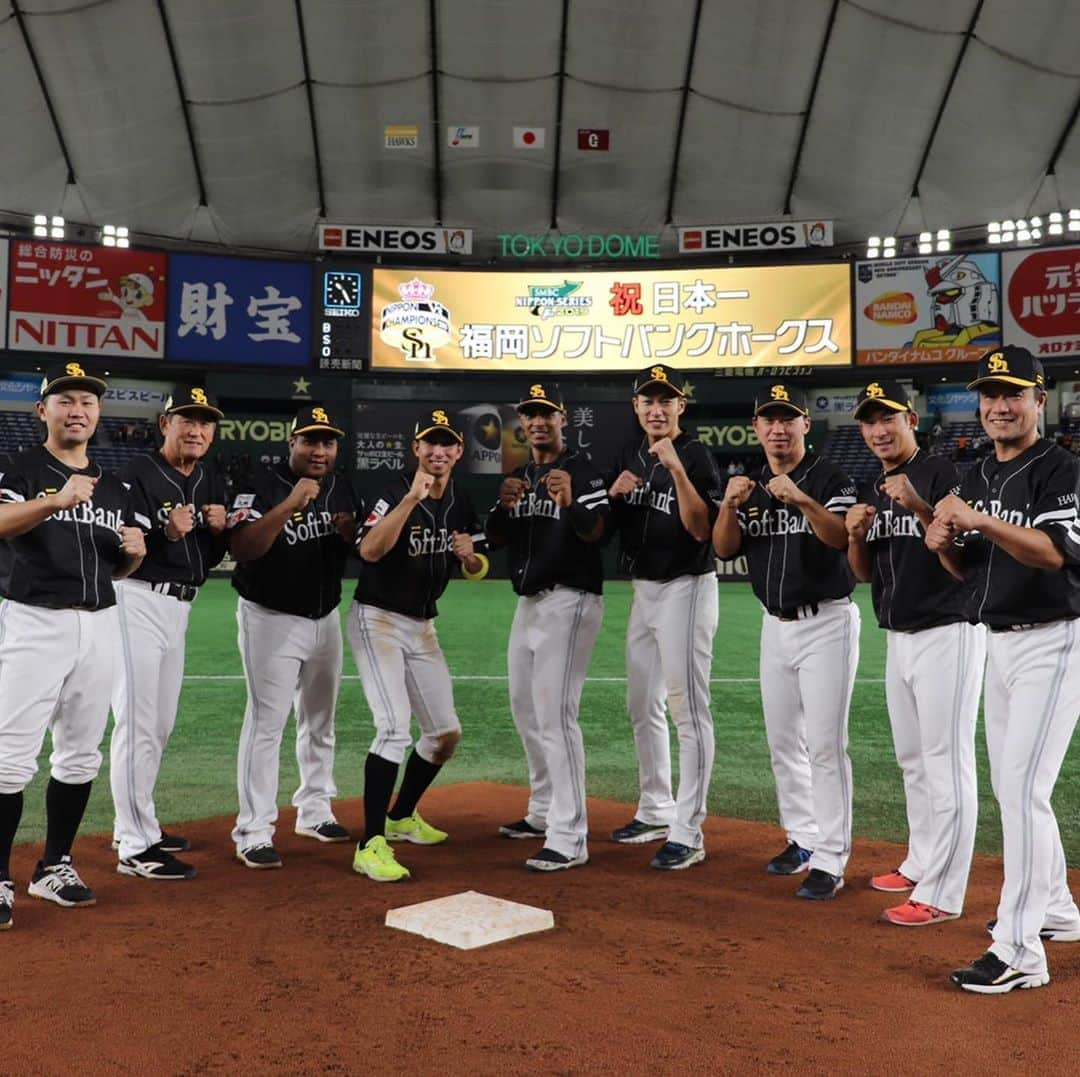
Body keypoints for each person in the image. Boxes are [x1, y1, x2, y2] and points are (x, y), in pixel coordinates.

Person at [924, 347, 1080, 993]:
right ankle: (1057, 909)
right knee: (1013, 789)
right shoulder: (981, 469)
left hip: (1055, 639)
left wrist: (977, 519)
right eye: (989, 395)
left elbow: (1053, 552)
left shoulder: (1061, 467)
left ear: (1039, 400)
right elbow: (976, 571)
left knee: (1021, 790)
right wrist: (944, 548)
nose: (999, 405)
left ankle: (1018, 949)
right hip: (1002, 643)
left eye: (1013, 393)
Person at [0, 364, 146, 930]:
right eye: (65, 401)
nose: (77, 409)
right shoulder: (21, 467)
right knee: (10, 757)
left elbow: (121, 565)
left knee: (81, 752)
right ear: (44, 412)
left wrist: (133, 551)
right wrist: (53, 501)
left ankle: (54, 865)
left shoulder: (113, 486)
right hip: (33, 621)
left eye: (87, 401)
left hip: (100, 623)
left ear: (98, 414)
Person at [845, 380, 985, 925]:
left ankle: (944, 893)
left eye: (889, 418)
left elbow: (965, 557)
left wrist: (921, 506)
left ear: (911, 419)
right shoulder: (873, 482)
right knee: (913, 760)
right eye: (869, 421)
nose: (880, 429)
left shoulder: (945, 473)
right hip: (899, 635)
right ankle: (922, 860)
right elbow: (862, 573)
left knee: (947, 762)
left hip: (948, 629)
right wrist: (856, 537)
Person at [713, 383, 858, 900]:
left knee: (824, 744)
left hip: (827, 622)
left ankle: (832, 856)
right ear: (757, 428)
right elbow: (724, 548)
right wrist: (729, 507)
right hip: (774, 626)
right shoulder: (747, 483)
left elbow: (841, 538)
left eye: (787, 419)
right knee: (783, 742)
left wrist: (798, 496)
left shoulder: (830, 476)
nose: (778, 428)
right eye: (768, 420)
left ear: (804, 425)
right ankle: (801, 837)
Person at [348, 409, 487, 883]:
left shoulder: (461, 501)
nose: (438, 452)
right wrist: (409, 500)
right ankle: (369, 845)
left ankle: (401, 815)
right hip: (379, 620)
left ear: (459, 451)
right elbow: (368, 551)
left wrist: (471, 560)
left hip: (423, 628)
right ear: (416, 449)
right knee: (392, 729)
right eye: (430, 443)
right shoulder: (391, 491)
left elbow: (474, 564)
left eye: (446, 444)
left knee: (445, 734)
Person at [485, 383, 611, 871]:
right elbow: (495, 538)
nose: (538, 422)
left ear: (563, 420)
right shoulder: (519, 475)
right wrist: (502, 506)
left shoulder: (583, 470)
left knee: (557, 715)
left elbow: (597, 533)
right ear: (522, 423)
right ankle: (542, 811)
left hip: (571, 598)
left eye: (547, 414)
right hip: (530, 603)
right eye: (530, 415)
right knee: (524, 708)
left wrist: (571, 501)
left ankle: (570, 834)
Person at [226, 404, 358, 869]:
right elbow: (241, 548)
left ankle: (315, 809)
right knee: (267, 723)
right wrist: (286, 507)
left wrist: (350, 534)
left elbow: (360, 544)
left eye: (327, 442)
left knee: (320, 720)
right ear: (292, 444)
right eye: (310, 441)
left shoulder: (342, 486)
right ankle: (253, 829)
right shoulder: (259, 485)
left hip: (326, 616)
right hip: (270, 616)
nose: (320, 450)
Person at [109, 385, 228, 881]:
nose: (196, 430)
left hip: (179, 608)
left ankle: (137, 825)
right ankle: (135, 846)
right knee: (136, 725)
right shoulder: (135, 475)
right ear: (165, 425)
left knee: (157, 725)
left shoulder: (208, 479)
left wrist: (217, 536)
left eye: (204, 422)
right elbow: (119, 550)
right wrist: (166, 533)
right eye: (186, 420)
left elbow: (209, 561)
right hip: (135, 600)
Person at [607, 364, 721, 871]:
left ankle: (689, 829)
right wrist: (614, 496)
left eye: (666, 401)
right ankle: (655, 806)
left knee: (688, 711)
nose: (657, 409)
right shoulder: (628, 454)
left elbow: (702, 531)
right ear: (636, 408)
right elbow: (611, 528)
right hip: (643, 590)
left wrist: (676, 468)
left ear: (681, 407)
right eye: (648, 401)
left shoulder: (696, 454)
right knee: (640, 704)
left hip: (686, 588)